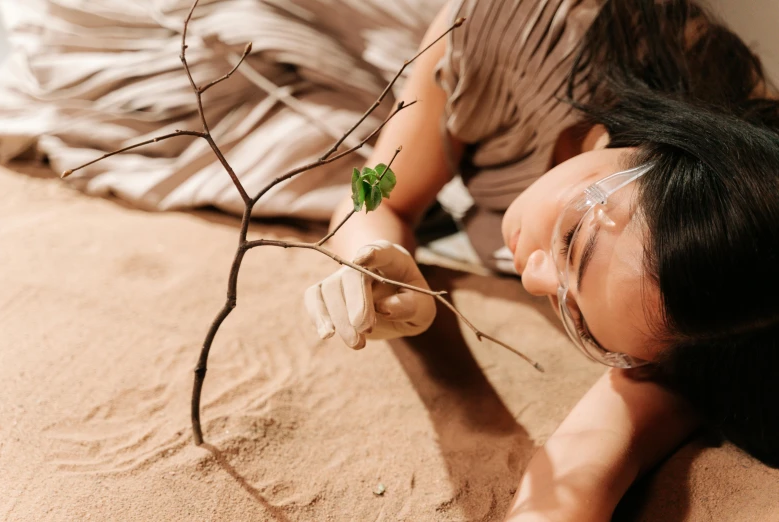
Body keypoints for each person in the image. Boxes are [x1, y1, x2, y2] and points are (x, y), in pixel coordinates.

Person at [303, 0, 779, 519]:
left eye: (574, 315)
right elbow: (380, 194)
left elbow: (613, 430)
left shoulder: (724, 306)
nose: (532, 279)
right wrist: (369, 253)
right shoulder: (510, 28)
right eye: (573, 237)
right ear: (667, 143)